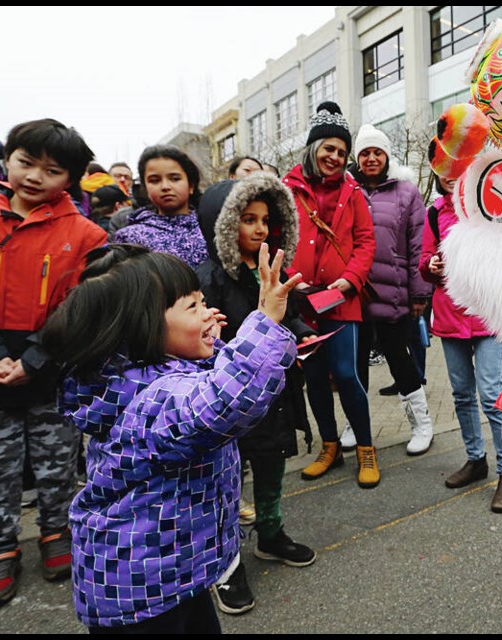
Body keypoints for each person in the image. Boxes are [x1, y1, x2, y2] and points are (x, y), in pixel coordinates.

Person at [41, 243, 300, 633]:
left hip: (171, 575)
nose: (208, 311)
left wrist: (212, 343)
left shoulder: (145, 378)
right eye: (193, 307)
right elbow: (224, 400)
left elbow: (206, 384)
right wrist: (263, 321)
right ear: (144, 326)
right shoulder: (152, 400)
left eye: (203, 301)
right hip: (142, 595)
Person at [196, 173, 317, 615]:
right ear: (225, 225)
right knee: (227, 481)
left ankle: (271, 533)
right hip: (228, 398)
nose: (261, 228)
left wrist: (301, 336)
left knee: (271, 466)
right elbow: (201, 336)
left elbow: (293, 313)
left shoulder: (272, 270)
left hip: (273, 395)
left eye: (267, 219)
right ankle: (225, 563)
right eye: (249, 219)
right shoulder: (208, 278)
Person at [0, 118, 108, 606]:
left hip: (54, 364)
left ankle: (55, 532)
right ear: (8, 158)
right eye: (26, 162)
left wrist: (37, 359)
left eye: (53, 170)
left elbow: (84, 307)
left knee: (56, 460)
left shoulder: (85, 235)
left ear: (72, 179)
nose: (35, 177)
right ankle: (2, 547)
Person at [283, 101, 379, 488]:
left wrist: (351, 280)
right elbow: (279, 239)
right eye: (329, 149)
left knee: (346, 373)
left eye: (341, 151)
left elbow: (366, 241)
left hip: (342, 298)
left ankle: (366, 450)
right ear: (313, 149)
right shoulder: (288, 190)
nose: (335, 157)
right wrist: (291, 279)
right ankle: (329, 446)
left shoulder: (353, 191)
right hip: (304, 301)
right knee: (316, 378)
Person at [419, 174, 502, 512]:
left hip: (487, 317)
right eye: (442, 169)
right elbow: (424, 262)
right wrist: (431, 265)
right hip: (449, 317)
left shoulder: (489, 207)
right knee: (461, 393)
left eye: (456, 168)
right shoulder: (434, 213)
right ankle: (476, 460)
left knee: (491, 395)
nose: (449, 175)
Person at [351, 123, 435, 456]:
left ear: (387, 156)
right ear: (358, 158)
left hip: (395, 295)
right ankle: (354, 425)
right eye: (365, 153)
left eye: (377, 152)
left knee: (400, 360)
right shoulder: (349, 190)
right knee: (354, 366)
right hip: (354, 295)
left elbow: (417, 244)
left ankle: (422, 423)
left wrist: (419, 294)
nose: (371, 158)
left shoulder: (407, 192)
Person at [113, 144, 208, 269]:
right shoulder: (130, 237)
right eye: (155, 180)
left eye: (174, 179)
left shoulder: (211, 228)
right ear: (145, 187)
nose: (165, 186)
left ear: (191, 185)